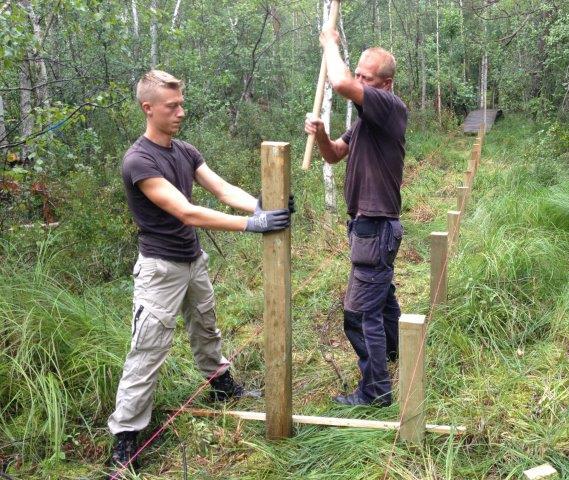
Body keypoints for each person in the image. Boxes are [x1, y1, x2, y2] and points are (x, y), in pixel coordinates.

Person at [108, 70, 293, 470]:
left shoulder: (185, 151)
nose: (181, 112)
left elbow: (222, 189)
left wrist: (262, 205)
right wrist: (252, 224)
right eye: (172, 106)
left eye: (181, 103)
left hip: (193, 262)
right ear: (149, 108)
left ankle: (222, 387)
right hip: (160, 270)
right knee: (148, 349)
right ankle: (124, 439)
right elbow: (187, 212)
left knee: (207, 328)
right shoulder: (139, 161)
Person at [304, 29, 407, 407]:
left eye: (367, 77)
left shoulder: (389, 108)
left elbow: (341, 81)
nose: (360, 82)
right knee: (382, 299)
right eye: (360, 74)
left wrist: (330, 43)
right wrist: (321, 136)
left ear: (385, 84)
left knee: (360, 313)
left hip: (375, 225)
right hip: (368, 226)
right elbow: (333, 155)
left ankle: (375, 391)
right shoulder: (367, 121)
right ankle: (395, 356)